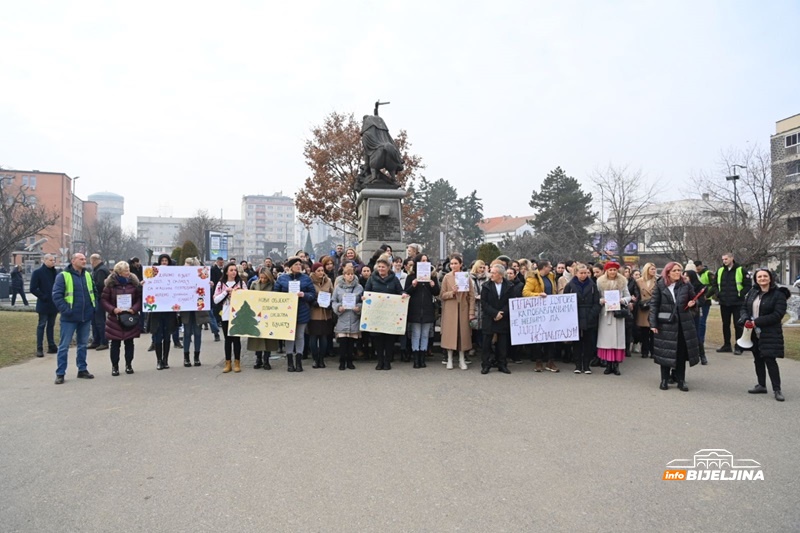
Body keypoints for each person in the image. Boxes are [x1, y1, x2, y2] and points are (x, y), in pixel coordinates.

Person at [739, 268, 789, 402]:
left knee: (770, 359)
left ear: (770, 278)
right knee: (757, 359)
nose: (762, 279)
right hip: (753, 332)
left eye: (765, 276)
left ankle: (777, 389)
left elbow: (778, 314)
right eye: (759, 277)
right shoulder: (752, 292)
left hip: (770, 332)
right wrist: (746, 319)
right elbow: (744, 307)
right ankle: (761, 385)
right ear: (756, 279)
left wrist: (756, 322)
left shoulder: (778, 294)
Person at [649, 261, 700, 391]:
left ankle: (681, 380)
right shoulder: (660, 285)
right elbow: (654, 305)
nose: (678, 273)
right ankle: (664, 379)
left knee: (681, 353)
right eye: (674, 270)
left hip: (683, 324)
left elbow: (695, 300)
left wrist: (693, 304)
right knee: (665, 352)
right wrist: (653, 323)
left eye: (679, 270)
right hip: (665, 323)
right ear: (668, 272)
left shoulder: (686, 285)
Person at [52, 253, 96, 384]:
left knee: (82, 345)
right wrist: (66, 310)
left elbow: (94, 292)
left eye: (85, 259)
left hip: (85, 316)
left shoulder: (87, 275)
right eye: (81, 259)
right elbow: (57, 296)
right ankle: (60, 373)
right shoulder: (63, 276)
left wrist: (94, 307)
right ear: (73, 261)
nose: (84, 261)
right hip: (69, 318)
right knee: (64, 346)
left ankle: (82, 369)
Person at [274, 256, 316, 372]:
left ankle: (298, 361)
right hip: (287, 311)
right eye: (296, 264)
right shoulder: (282, 278)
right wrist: (285, 297)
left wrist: (304, 295)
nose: (298, 266)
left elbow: (312, 294)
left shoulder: (306, 278)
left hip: (302, 310)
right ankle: (289, 361)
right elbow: (275, 294)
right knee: (289, 336)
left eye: (300, 264)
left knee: (300, 335)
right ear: (290, 267)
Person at [101, 261, 142, 376]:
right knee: (115, 344)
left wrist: (134, 309)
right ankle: (115, 366)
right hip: (115, 318)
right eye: (125, 271)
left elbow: (139, 299)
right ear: (119, 272)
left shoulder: (134, 283)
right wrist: (113, 309)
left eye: (128, 270)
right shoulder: (110, 284)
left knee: (129, 343)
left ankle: (129, 365)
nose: (128, 272)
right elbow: (104, 300)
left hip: (130, 317)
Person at [364, 254, 405, 370]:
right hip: (376, 314)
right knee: (378, 339)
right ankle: (380, 361)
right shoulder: (372, 279)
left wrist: (403, 294)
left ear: (388, 267)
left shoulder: (394, 279)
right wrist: (364, 297)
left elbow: (400, 291)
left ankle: (387, 361)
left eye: (383, 267)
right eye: (379, 267)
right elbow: (367, 291)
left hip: (390, 314)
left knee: (389, 339)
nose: (381, 269)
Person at [439, 254, 476, 370]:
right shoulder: (446, 277)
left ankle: (461, 358)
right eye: (451, 264)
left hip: (463, 309)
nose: (453, 266)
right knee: (450, 334)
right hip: (450, 309)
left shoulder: (466, 277)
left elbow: (471, 296)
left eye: (455, 263)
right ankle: (449, 358)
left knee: (463, 334)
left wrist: (471, 312)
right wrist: (452, 293)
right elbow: (442, 295)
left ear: (460, 264)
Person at [404, 254, 440, 369]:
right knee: (416, 334)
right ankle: (416, 358)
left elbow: (436, 292)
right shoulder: (411, 276)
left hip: (427, 309)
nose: (424, 262)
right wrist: (413, 285)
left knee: (425, 334)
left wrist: (433, 285)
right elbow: (406, 291)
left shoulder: (432, 276)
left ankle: (422, 358)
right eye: (422, 260)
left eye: (426, 260)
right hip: (415, 309)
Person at [595, 261, 631, 376]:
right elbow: (596, 296)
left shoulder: (622, 281)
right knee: (607, 339)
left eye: (614, 270)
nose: (612, 272)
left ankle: (616, 365)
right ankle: (608, 364)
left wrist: (622, 300)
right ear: (606, 271)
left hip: (617, 313)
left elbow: (628, 296)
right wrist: (601, 300)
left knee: (617, 339)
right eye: (610, 270)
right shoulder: (600, 282)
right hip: (605, 314)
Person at [563, 263, 601, 373]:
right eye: (581, 273)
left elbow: (596, 303)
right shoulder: (570, 286)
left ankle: (587, 365)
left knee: (588, 342)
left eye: (585, 273)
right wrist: (570, 316)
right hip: (575, 315)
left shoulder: (593, 286)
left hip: (589, 315)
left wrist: (592, 315)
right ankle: (578, 365)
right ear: (576, 273)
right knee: (577, 342)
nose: (584, 275)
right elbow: (565, 302)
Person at [523, 260, 559, 372]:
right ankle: (538, 361)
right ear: (544, 267)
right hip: (538, 312)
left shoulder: (551, 276)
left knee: (551, 337)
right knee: (538, 338)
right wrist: (538, 294)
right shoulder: (532, 278)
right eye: (549, 266)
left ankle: (550, 361)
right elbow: (525, 293)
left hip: (550, 311)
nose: (551, 267)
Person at [146, 254, 179, 370]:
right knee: (157, 336)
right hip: (157, 312)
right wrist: (143, 285)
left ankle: (165, 360)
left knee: (167, 336)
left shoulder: (174, 275)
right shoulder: (152, 274)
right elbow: (146, 289)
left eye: (166, 261)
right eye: (162, 260)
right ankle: (159, 360)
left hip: (169, 312)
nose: (164, 262)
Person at [213, 263, 247, 373]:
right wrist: (225, 292)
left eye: (235, 270)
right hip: (226, 313)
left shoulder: (241, 283)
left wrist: (239, 293)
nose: (233, 272)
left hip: (238, 314)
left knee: (236, 339)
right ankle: (228, 363)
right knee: (227, 340)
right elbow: (215, 299)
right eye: (231, 270)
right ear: (226, 272)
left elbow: (247, 297)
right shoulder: (221, 284)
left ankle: (237, 362)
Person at [480, 264, 513, 375]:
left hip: (503, 318)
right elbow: (484, 303)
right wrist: (494, 313)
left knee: (502, 343)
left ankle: (502, 364)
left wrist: (502, 313)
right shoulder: (486, 286)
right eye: (491, 272)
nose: (491, 275)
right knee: (486, 343)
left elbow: (510, 301)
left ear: (500, 275)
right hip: (489, 317)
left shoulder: (509, 286)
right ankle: (485, 365)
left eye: (493, 273)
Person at [716, 253, 751, 355]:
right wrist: (718, 294)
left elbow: (748, 285)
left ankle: (738, 346)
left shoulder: (741, 270)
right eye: (723, 259)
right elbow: (715, 284)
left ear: (732, 258)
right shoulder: (720, 270)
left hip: (737, 303)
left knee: (738, 324)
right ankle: (726, 345)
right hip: (724, 302)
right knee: (725, 324)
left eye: (726, 259)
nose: (724, 261)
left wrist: (741, 294)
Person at [332, 264, 363, 370]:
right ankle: (342, 361)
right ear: (344, 275)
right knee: (343, 342)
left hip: (354, 317)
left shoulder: (359, 287)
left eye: (352, 274)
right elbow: (333, 301)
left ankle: (350, 361)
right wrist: (338, 307)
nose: (350, 276)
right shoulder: (338, 288)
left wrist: (359, 307)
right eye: (348, 274)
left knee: (351, 342)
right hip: (342, 317)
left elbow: (362, 301)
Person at [180, 258, 210, 367]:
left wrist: (209, 285)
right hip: (186, 310)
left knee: (198, 333)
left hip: (198, 310)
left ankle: (196, 357)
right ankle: (186, 357)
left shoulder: (201, 277)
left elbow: (206, 293)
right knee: (187, 333)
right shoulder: (181, 278)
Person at [248, 266, 279, 370]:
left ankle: (266, 360)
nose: (263, 280)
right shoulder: (254, 284)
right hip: (256, 313)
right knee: (257, 337)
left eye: (265, 278)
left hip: (269, 313)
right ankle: (258, 359)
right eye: (261, 277)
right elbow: (249, 296)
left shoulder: (273, 284)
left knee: (268, 338)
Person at [29, 254, 59, 357]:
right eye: (51, 260)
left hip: (53, 304)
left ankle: (51, 345)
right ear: (44, 260)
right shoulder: (38, 272)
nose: (53, 262)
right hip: (44, 304)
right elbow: (33, 288)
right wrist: (43, 297)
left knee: (51, 325)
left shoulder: (56, 272)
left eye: (54, 260)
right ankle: (39, 348)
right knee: (42, 325)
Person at [308, 262, 334, 369]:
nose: (321, 272)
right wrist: (313, 302)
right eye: (318, 271)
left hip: (325, 314)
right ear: (314, 272)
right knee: (313, 337)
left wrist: (330, 303)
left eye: (322, 270)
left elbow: (333, 294)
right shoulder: (309, 281)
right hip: (313, 313)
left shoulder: (328, 281)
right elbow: (307, 294)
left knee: (324, 337)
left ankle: (322, 359)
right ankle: (315, 359)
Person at [684, 270, 708, 365]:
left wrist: (694, 303)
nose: (685, 278)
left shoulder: (699, 287)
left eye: (687, 276)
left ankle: (702, 355)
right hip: (683, 313)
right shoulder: (682, 286)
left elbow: (702, 301)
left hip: (693, 313)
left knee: (696, 334)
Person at [635, 263, 657, 359]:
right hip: (643, 308)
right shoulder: (639, 281)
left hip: (653, 307)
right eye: (652, 269)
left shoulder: (657, 281)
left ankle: (653, 351)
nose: (654, 271)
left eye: (654, 269)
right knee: (644, 331)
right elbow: (637, 294)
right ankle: (644, 351)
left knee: (653, 331)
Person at [88, 254, 110, 350]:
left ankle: (104, 342)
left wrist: (90, 286)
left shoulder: (100, 270)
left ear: (93, 260)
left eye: (91, 261)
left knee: (99, 321)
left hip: (100, 298)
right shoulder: (99, 269)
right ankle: (96, 341)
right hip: (97, 298)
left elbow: (100, 285)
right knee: (94, 321)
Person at [470, 260, 489, 354]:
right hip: (473, 305)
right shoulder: (469, 278)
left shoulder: (487, 278)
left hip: (483, 305)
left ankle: (482, 347)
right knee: (472, 327)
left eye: (483, 267)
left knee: (483, 327)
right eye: (480, 267)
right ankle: (473, 346)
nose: (482, 269)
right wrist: (474, 296)